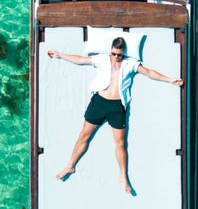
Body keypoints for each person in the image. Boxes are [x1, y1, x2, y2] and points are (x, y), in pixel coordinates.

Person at [47, 36, 183, 194]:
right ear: (111, 51)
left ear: (124, 52)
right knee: (83, 136)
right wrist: (60, 55)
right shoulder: (102, 59)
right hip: (99, 102)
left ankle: (123, 176)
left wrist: (170, 80)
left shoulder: (130, 63)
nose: (116, 57)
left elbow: (149, 72)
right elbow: (80, 60)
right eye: (114, 54)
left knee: (120, 143)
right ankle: (70, 166)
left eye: (119, 54)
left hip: (117, 106)